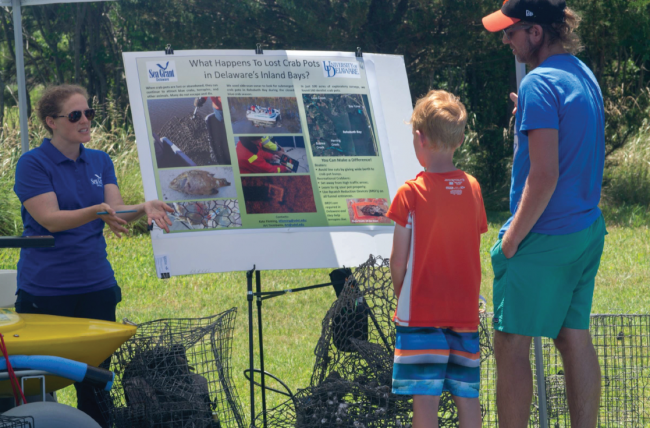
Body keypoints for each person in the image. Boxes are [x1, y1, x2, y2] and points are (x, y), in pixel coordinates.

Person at [13, 84, 173, 426]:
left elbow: (115, 210)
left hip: (96, 286)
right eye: (75, 115)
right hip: (46, 290)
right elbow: (50, 219)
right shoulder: (32, 164)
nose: (85, 120)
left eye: (89, 112)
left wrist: (143, 207)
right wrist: (96, 211)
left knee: (96, 383)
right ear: (51, 122)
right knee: (37, 382)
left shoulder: (100, 159)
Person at [482, 1, 606, 426]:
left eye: (511, 31)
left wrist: (512, 239)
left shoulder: (539, 83)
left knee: (510, 342)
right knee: (573, 338)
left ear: (535, 32)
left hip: (543, 236)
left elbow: (544, 177)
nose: (505, 39)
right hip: (586, 230)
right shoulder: (581, 72)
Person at [387, 90, 488, 428]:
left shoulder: (409, 193)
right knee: (467, 396)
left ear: (420, 138)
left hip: (421, 313)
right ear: (460, 139)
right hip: (464, 311)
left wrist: (402, 295)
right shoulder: (473, 187)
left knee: (426, 400)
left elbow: (398, 261)